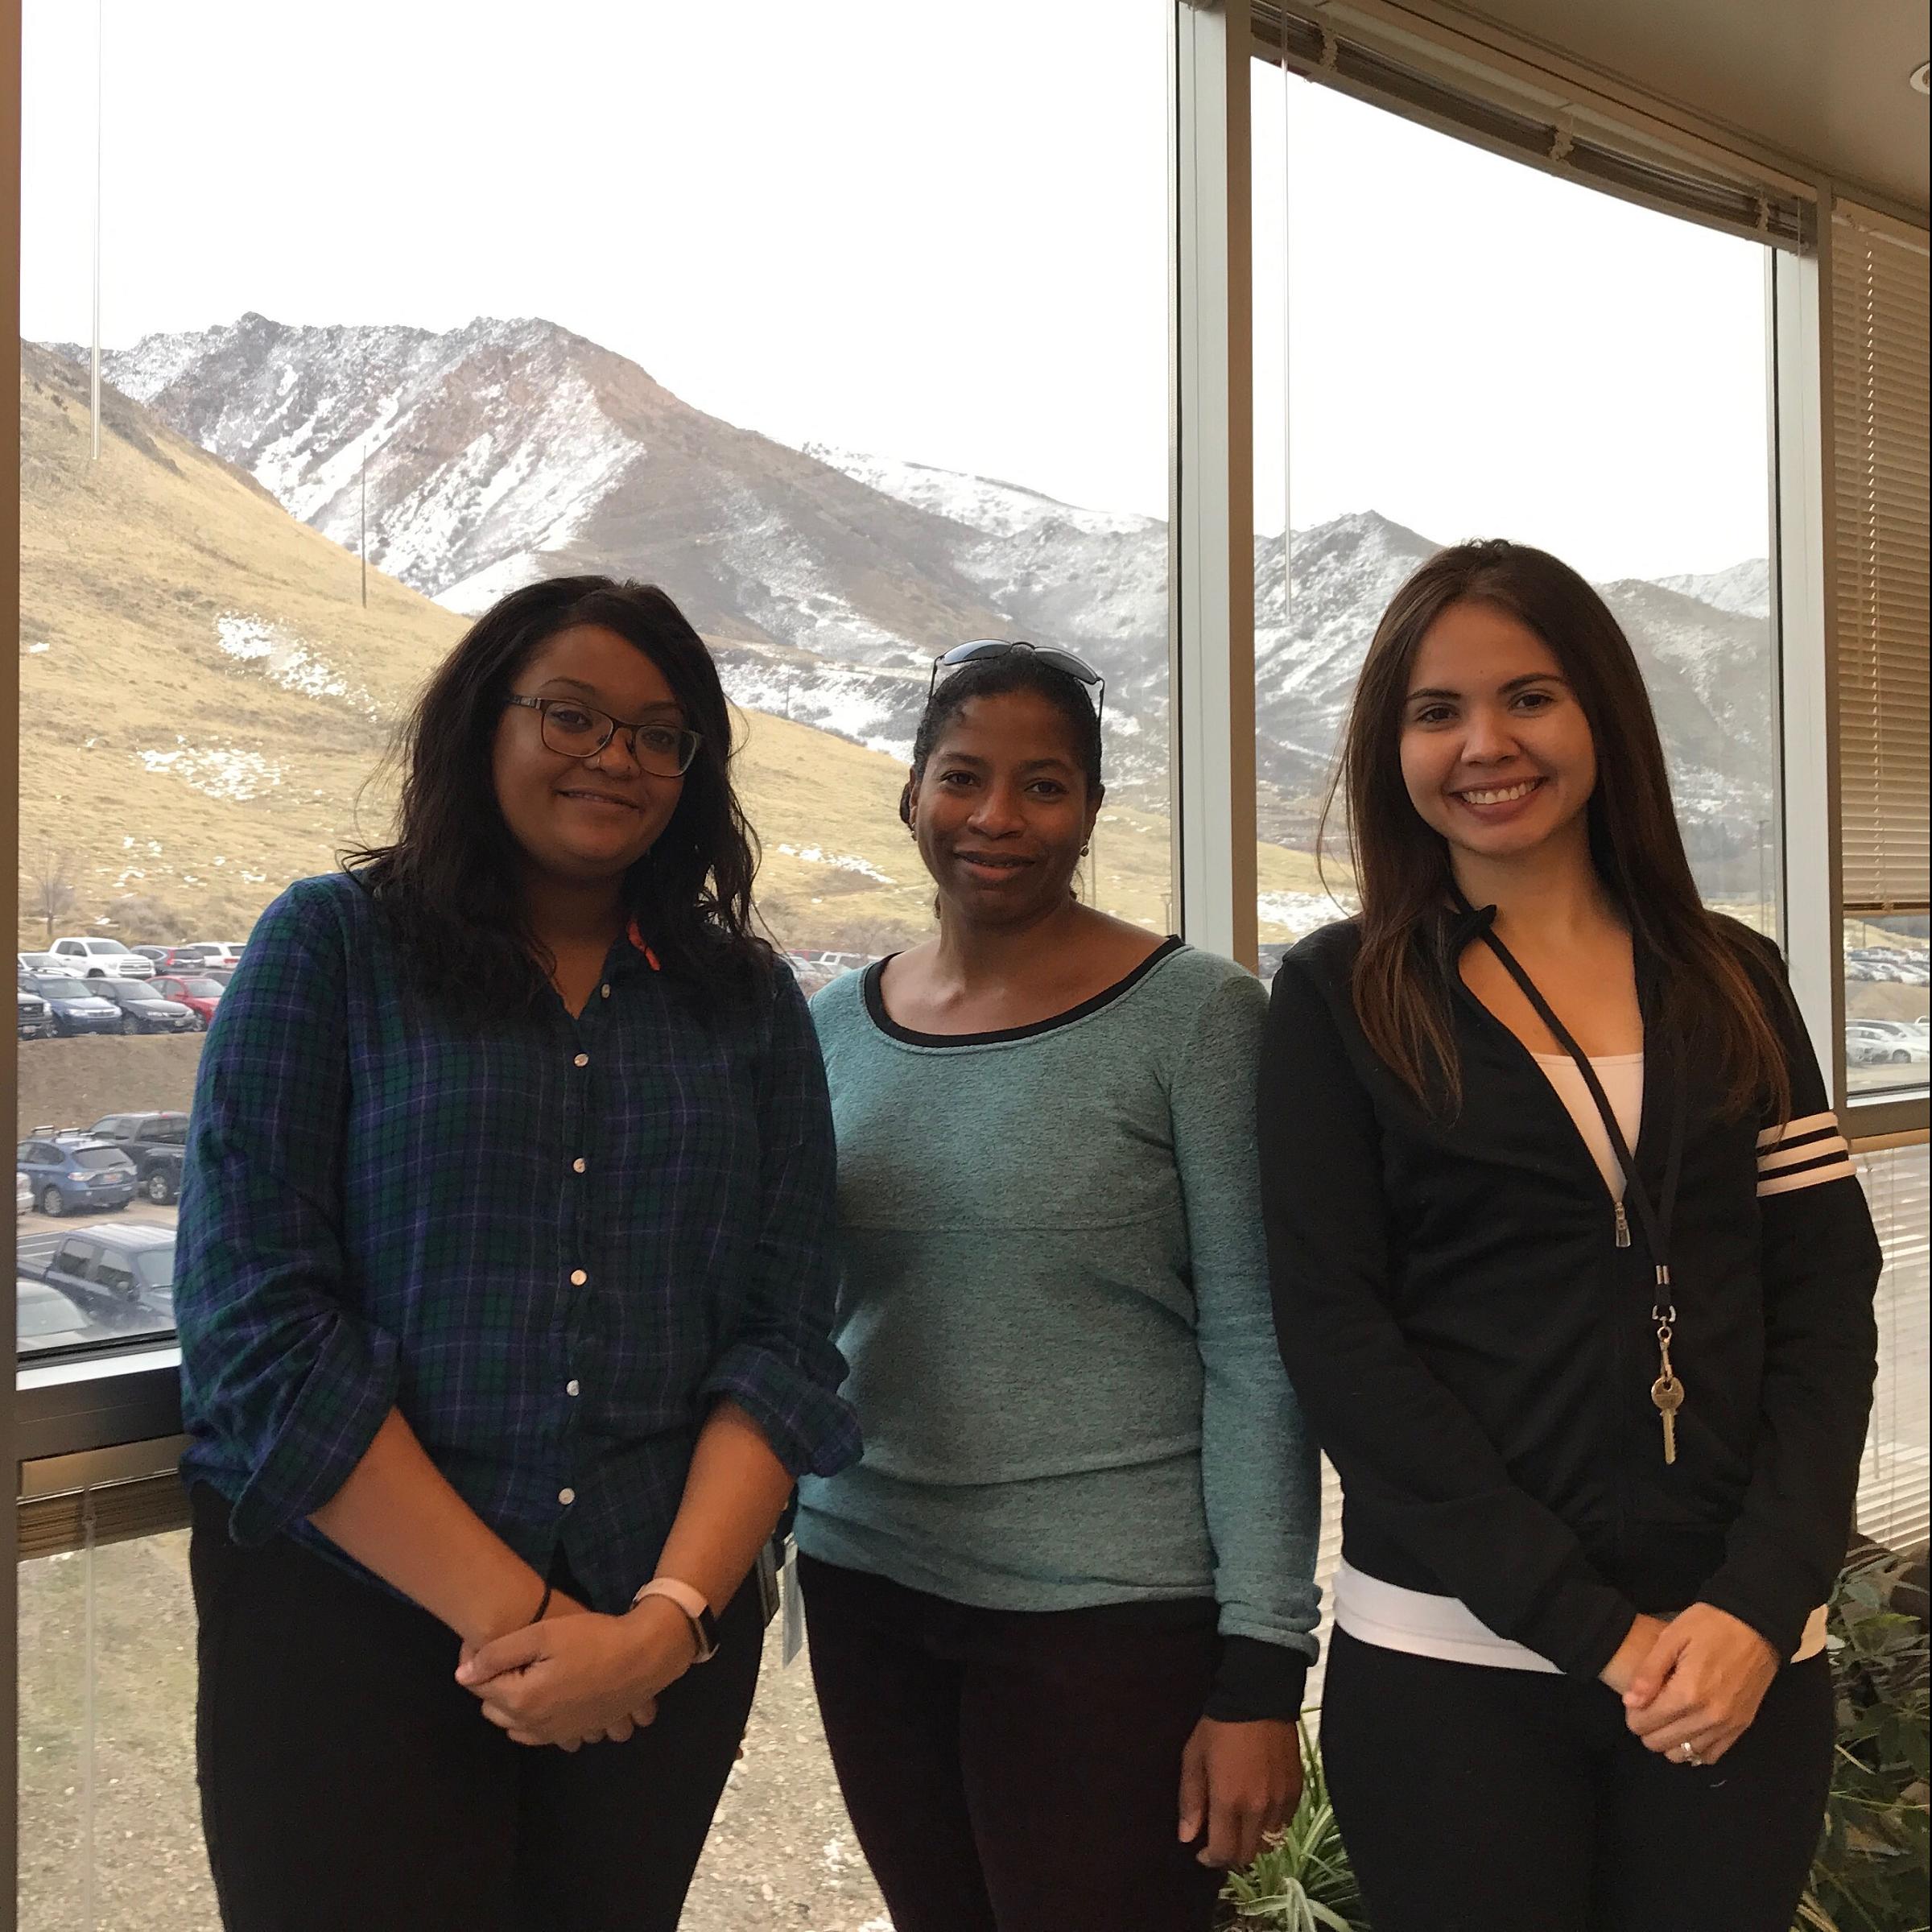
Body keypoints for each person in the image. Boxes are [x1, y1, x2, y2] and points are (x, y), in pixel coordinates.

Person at [175, 576, 859, 1932]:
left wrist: (657, 1626)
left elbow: (784, 1334)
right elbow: (257, 1323)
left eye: (663, 734)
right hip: (348, 1635)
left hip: (655, 1651)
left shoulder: (747, 1001)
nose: (617, 758)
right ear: (483, 724)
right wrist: (525, 1626)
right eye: (573, 715)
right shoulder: (333, 947)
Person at [1258, 540, 1881, 1932]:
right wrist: (1593, 1629)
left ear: (1601, 713)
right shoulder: (1340, 998)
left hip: (1737, 1660)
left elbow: (1827, 1293)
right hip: (1451, 1660)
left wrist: (1765, 1600)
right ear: (1391, 746)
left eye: (1529, 697)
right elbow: (1340, 1341)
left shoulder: (1735, 977)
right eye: (1438, 711)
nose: (1487, 744)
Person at [795, 640, 1323, 1932]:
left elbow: (1258, 1347)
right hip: (866, 1583)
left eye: (1043, 786)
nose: (997, 818)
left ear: (1089, 812)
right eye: (963, 777)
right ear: (911, 793)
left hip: (1110, 1618)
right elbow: (796, 1317)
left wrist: (1262, 1665)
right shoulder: (830, 1029)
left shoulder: (1195, 1017)